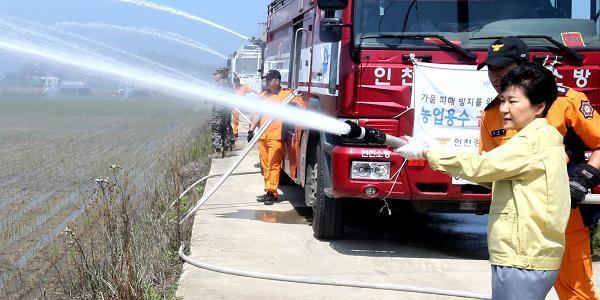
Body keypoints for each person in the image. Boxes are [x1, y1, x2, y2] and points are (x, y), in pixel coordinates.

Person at [396, 62, 570, 299]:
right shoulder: (543, 137)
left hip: (522, 257)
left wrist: (426, 153)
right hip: (526, 255)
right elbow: (492, 173)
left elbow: (480, 166)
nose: (503, 109)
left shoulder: (531, 142)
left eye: (513, 101)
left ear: (539, 106)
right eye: (503, 101)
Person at [478, 36, 600, 299]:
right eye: (491, 71)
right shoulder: (490, 115)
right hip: (515, 227)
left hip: (563, 216)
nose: (496, 77)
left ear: (524, 69)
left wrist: (584, 178)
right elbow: (486, 167)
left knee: (577, 292)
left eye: (504, 71)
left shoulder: (565, 102)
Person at [248, 70, 301, 205]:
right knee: (265, 165)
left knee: (274, 164)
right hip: (263, 136)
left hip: (276, 136)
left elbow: (300, 104)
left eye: (268, 80)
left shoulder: (287, 95)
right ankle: (268, 191)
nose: (266, 83)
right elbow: (256, 114)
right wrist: (251, 130)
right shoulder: (263, 96)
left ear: (276, 81)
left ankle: (272, 192)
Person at [210, 67, 235, 158]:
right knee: (225, 130)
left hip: (218, 111)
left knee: (216, 130)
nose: (215, 76)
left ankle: (218, 151)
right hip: (226, 111)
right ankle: (226, 150)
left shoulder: (218, 86)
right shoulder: (228, 84)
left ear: (220, 75)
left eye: (216, 74)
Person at [232, 76, 255, 141]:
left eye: (238, 81)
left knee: (252, 114)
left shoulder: (243, 87)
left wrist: (259, 94)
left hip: (243, 105)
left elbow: (251, 90)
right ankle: (235, 132)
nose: (237, 83)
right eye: (236, 82)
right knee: (235, 116)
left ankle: (251, 130)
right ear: (234, 82)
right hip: (236, 106)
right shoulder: (233, 89)